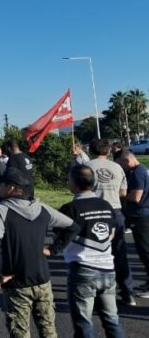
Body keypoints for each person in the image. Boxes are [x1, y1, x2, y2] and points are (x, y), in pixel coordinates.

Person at [0, 168, 78, 338]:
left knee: (20, 332)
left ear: (11, 188)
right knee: (48, 330)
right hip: (43, 279)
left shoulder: (0, 210)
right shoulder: (42, 208)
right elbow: (72, 227)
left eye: (1, 184)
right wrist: (53, 249)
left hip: (16, 281)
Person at [52, 165, 124, 338]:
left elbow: (60, 235)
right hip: (107, 269)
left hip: (83, 269)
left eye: (69, 179)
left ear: (75, 184)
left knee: (84, 323)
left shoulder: (69, 209)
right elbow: (112, 233)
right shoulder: (106, 205)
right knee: (112, 320)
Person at [76, 139, 137, 305]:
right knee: (119, 252)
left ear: (91, 150)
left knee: (93, 253)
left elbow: (76, 188)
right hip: (115, 210)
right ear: (108, 152)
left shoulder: (86, 166)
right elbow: (123, 192)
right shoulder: (117, 167)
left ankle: (96, 294)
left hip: (92, 210)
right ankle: (128, 293)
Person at [116, 150, 149, 300]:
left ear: (127, 161)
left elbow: (136, 197)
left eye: (121, 164)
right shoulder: (142, 170)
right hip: (142, 215)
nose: (122, 167)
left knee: (145, 251)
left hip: (141, 216)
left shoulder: (137, 173)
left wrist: (121, 194)